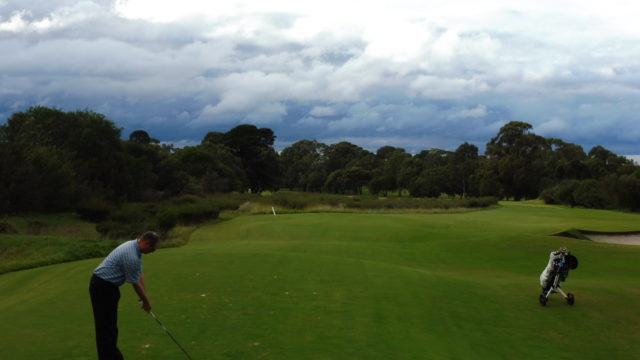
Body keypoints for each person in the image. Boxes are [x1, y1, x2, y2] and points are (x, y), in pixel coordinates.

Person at [89, 231, 160, 360]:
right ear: (146, 243)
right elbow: (135, 284)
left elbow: (140, 274)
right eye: (153, 248)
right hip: (102, 287)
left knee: (110, 327)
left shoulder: (135, 246)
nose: (153, 251)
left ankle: (109, 356)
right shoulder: (131, 255)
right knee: (106, 327)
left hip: (108, 287)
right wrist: (146, 302)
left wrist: (144, 298)